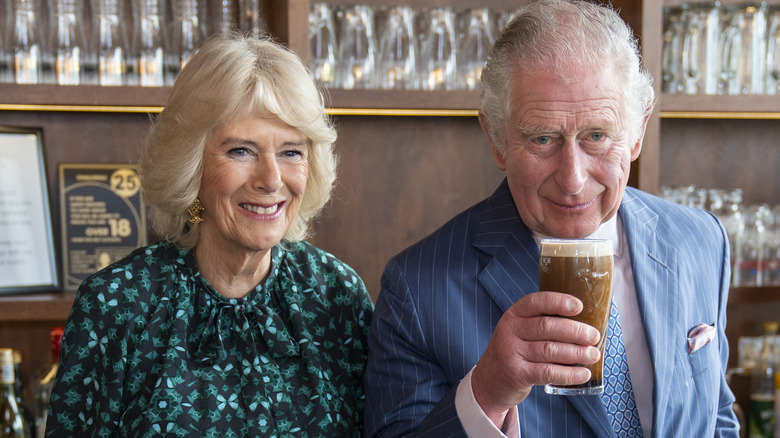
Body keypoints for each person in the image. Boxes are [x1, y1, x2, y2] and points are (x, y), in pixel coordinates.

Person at [364, 1, 739, 437]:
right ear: (497, 139)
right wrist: (487, 392)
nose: (573, 179)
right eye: (543, 138)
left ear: (637, 133)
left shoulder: (701, 240)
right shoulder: (417, 288)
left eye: (597, 136)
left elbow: (716, 419)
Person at [46, 32, 373, 437]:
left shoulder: (336, 296)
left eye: (291, 151)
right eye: (241, 150)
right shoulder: (115, 306)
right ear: (190, 164)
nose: (271, 179)